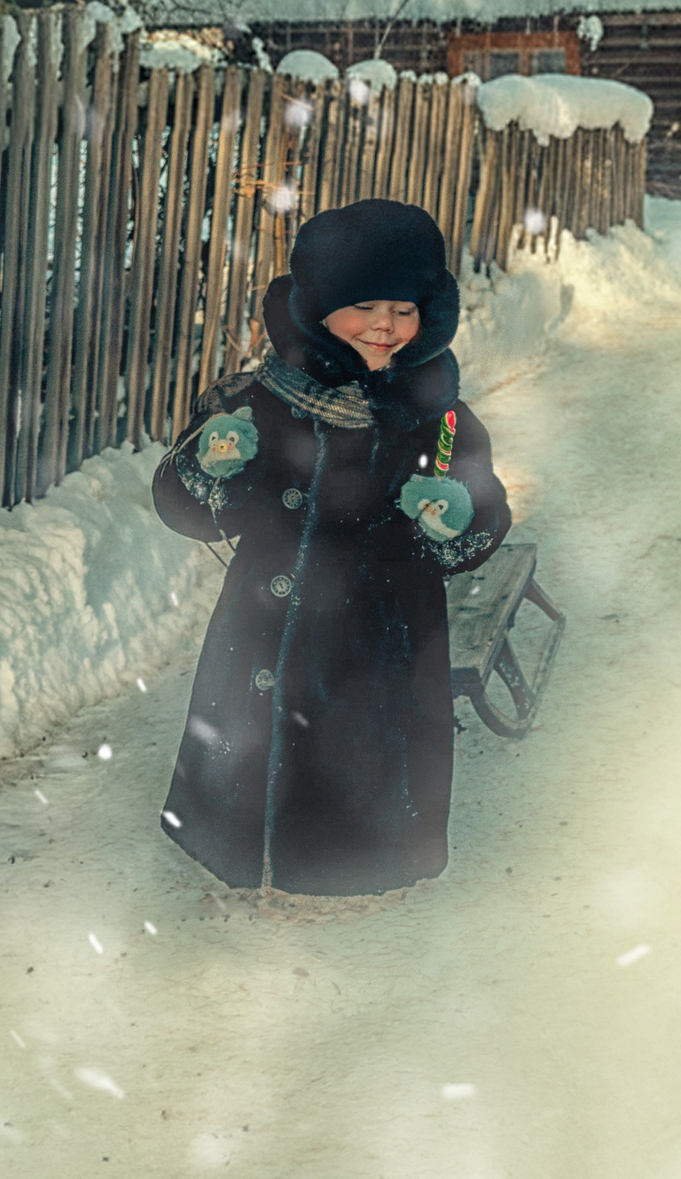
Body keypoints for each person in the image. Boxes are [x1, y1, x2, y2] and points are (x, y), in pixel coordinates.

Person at [151, 198, 511, 896]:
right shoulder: (259, 400)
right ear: (319, 309)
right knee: (249, 750)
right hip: (267, 624)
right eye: (363, 305)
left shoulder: (436, 414)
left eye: (404, 309)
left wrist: (460, 515)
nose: (385, 325)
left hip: (385, 639)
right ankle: (235, 844)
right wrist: (212, 467)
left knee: (364, 756)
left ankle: (357, 863)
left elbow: (482, 506)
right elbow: (191, 508)